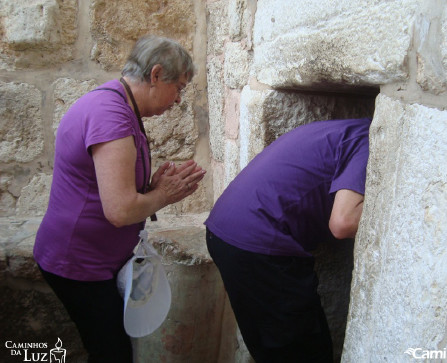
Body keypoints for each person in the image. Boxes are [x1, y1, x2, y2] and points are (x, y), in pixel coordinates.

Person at [34, 35, 206, 363]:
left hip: (91, 260)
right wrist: (163, 195)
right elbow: (120, 210)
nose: (178, 99)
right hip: (78, 263)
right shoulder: (110, 114)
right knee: (111, 354)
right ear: (156, 75)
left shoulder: (117, 104)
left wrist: (150, 187)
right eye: (180, 88)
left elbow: (110, 189)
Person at [205, 117, 371, 363]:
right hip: (256, 245)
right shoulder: (368, 140)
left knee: (273, 350)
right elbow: (343, 222)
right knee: (305, 352)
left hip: (225, 232)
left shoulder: (344, 130)